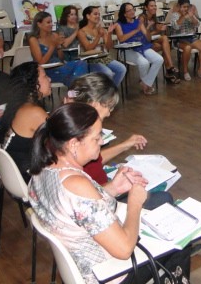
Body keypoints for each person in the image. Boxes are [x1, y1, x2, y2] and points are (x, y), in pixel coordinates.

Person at [28, 102, 178, 284]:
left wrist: (114, 188)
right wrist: (135, 203)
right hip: (108, 274)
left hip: (81, 259)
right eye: (97, 137)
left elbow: (77, 208)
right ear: (74, 144)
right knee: (179, 241)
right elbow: (124, 250)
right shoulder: (77, 184)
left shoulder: (41, 171)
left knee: (163, 199)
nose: (102, 141)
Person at [65, 73, 173, 210]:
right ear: (94, 104)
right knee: (163, 197)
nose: (109, 113)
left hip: (102, 190)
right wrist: (117, 189)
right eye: (108, 107)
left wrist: (125, 145)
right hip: (102, 199)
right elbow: (87, 199)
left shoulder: (72, 128)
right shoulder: (76, 140)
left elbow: (94, 159)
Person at [0, 62, 51, 182]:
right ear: (34, 84)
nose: (50, 79)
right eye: (45, 76)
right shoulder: (34, 112)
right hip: (29, 178)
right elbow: (59, 141)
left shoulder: (19, 105)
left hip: (13, 176)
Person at [114, 3, 164, 95]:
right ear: (124, 13)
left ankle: (146, 83)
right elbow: (121, 39)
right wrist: (136, 30)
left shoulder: (138, 22)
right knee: (144, 63)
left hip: (142, 47)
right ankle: (146, 85)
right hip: (127, 50)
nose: (132, 12)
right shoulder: (118, 24)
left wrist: (148, 28)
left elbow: (148, 38)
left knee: (159, 59)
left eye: (133, 9)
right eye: (129, 10)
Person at [28, 11, 88, 87]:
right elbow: (40, 62)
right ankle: (76, 90)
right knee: (76, 73)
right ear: (39, 24)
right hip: (46, 71)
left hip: (59, 66)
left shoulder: (55, 35)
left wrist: (59, 46)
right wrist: (53, 46)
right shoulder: (33, 39)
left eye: (51, 22)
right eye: (48, 22)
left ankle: (75, 89)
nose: (51, 24)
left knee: (82, 63)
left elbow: (61, 58)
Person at [77, 6, 126, 88]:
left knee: (122, 69)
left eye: (99, 14)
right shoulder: (81, 32)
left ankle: (111, 91)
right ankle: (108, 92)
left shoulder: (101, 29)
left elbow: (109, 47)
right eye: (95, 14)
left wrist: (109, 34)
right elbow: (88, 48)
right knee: (108, 73)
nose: (98, 16)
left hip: (104, 57)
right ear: (88, 16)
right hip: (91, 60)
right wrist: (99, 35)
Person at [139, 0, 180, 84]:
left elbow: (154, 34)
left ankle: (170, 68)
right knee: (165, 47)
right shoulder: (141, 18)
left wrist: (161, 29)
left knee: (164, 38)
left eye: (155, 6)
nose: (154, 7)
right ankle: (169, 71)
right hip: (142, 45)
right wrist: (157, 30)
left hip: (150, 41)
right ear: (146, 7)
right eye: (151, 6)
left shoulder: (153, 16)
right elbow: (143, 36)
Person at [170, 0, 201, 80]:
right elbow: (175, 27)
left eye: (187, 7)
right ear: (179, 7)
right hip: (179, 39)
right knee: (187, 48)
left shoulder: (190, 14)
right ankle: (185, 71)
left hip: (191, 38)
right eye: (184, 7)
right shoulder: (174, 15)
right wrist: (183, 17)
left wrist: (192, 17)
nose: (186, 9)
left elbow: (197, 24)